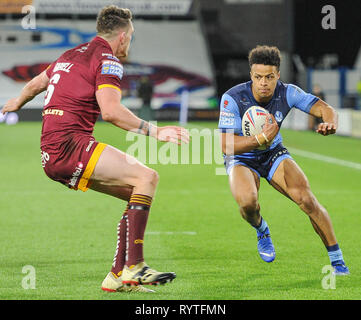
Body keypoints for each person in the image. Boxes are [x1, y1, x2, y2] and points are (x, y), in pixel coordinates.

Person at [1, 5, 189, 293]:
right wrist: (156, 131)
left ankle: (117, 276)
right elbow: (111, 112)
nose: (131, 42)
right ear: (123, 36)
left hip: (52, 152)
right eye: (132, 36)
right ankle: (136, 266)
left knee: (135, 192)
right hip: (70, 144)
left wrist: (17, 101)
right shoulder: (108, 60)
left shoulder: (69, 55)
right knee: (147, 178)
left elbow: (39, 82)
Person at [218, 45, 349, 275]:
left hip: (273, 153)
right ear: (251, 76)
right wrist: (259, 138)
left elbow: (324, 108)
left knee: (307, 200)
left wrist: (331, 122)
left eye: (269, 77)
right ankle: (261, 229)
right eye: (258, 77)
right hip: (241, 158)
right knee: (248, 203)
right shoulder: (232, 98)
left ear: (278, 75)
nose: (264, 83)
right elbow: (226, 145)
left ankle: (337, 262)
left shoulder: (287, 92)